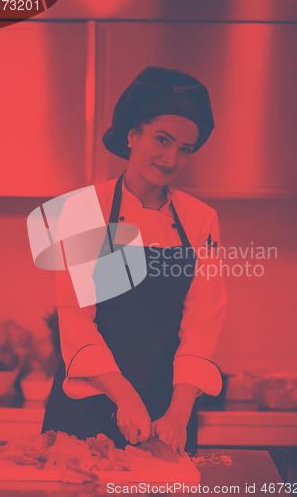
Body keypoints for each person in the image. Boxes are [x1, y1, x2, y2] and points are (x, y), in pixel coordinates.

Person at [42, 66, 228, 456]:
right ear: (132, 136)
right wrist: (124, 396)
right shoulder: (82, 210)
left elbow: (203, 320)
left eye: (185, 149)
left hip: (166, 410)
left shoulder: (200, 219)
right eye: (162, 140)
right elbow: (75, 321)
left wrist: (180, 409)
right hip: (87, 406)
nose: (171, 157)